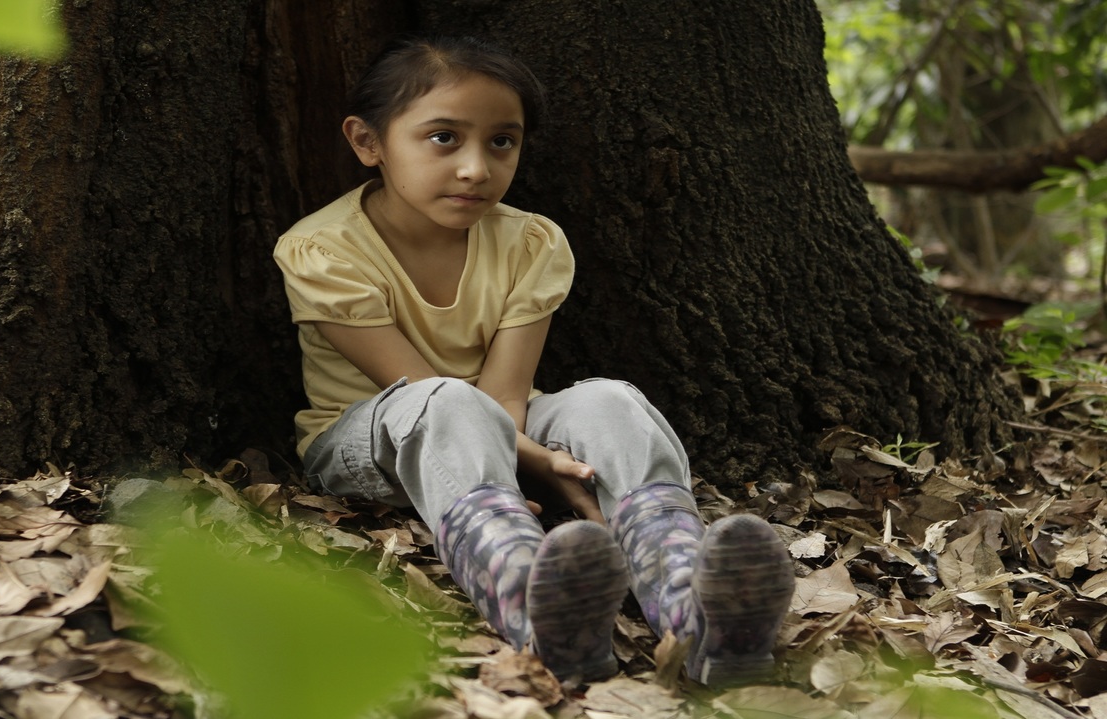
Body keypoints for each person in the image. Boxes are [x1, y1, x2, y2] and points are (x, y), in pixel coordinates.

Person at [273, 35, 795, 686]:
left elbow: (504, 396)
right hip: (371, 442)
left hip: (502, 424)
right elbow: (420, 389)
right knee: (445, 400)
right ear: (367, 141)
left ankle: (695, 602)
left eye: (502, 141)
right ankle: (532, 604)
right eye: (443, 138)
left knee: (608, 399)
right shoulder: (322, 250)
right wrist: (544, 463)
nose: (475, 168)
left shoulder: (530, 243)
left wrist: (536, 454)